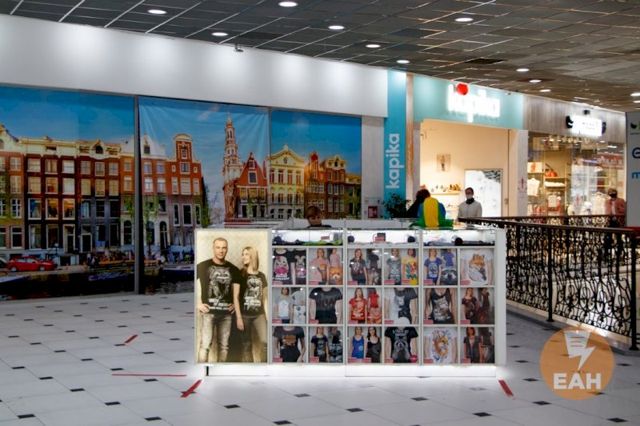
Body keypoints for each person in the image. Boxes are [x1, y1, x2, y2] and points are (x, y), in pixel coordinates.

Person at [196, 237, 242, 363]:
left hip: (226, 314)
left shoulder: (234, 269)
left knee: (224, 347)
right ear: (213, 248)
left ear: (227, 249)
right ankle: (202, 370)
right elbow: (190, 285)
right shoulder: (202, 266)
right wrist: (197, 303)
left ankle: (220, 370)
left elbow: (237, 294)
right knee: (205, 346)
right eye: (218, 247)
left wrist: (235, 304)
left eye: (224, 248)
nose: (221, 251)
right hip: (208, 313)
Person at [233, 246, 268, 363]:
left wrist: (268, 317)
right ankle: (250, 368)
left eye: (246, 254)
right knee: (246, 345)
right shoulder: (240, 274)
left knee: (265, 342)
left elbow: (264, 299)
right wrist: (238, 318)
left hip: (259, 314)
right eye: (243, 254)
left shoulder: (262, 276)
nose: (243, 257)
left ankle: (264, 367)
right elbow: (235, 297)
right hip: (244, 315)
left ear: (253, 256)